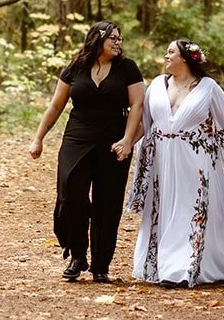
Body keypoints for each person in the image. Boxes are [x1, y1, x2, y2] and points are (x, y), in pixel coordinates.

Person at [126, 38, 224, 287]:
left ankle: (182, 268)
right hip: (163, 162)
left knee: (188, 211)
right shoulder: (157, 86)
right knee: (166, 209)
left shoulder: (208, 88)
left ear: (185, 58)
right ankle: (164, 265)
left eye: (171, 52)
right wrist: (126, 142)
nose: (166, 56)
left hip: (197, 162)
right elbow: (144, 125)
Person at [29, 22, 145, 282]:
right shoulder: (75, 68)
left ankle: (100, 265)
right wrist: (38, 138)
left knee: (108, 202)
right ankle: (77, 253)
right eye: (112, 38)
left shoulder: (127, 68)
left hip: (113, 141)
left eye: (120, 38)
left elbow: (137, 105)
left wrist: (128, 140)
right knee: (70, 193)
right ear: (97, 39)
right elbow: (56, 105)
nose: (118, 42)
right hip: (77, 137)